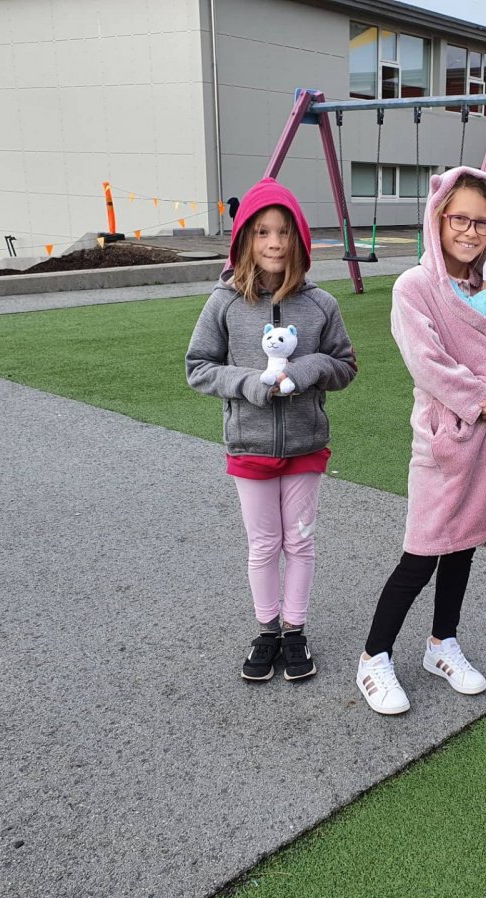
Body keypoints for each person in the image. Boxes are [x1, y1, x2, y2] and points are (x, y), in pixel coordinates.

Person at [356, 167, 486, 716]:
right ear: (438, 219)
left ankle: (442, 643)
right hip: (445, 440)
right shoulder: (416, 288)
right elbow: (429, 364)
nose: (470, 231)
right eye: (460, 218)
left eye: (482, 222)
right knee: (421, 553)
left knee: (463, 547)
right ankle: (374, 657)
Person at [186, 178, 357, 684]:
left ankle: (295, 629)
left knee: (299, 543)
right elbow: (199, 367)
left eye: (284, 232)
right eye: (262, 232)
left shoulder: (321, 304)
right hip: (250, 445)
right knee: (263, 545)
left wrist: (307, 370)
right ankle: (267, 631)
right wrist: (250, 385)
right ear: (245, 239)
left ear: (299, 239)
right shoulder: (224, 303)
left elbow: (345, 366)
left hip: (306, 444)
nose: (275, 243)